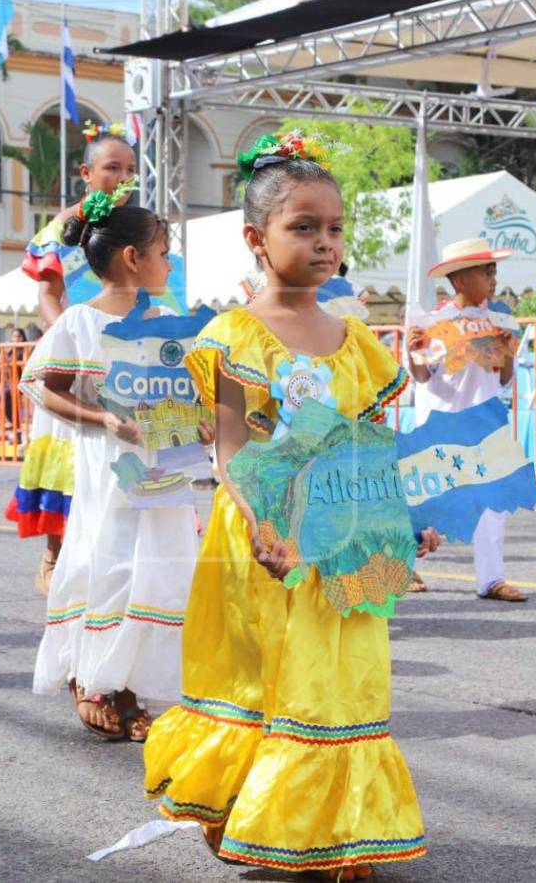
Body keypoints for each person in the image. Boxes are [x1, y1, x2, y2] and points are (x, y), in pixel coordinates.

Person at [143, 133, 441, 880]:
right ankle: (244, 804)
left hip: (343, 537)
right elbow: (230, 448)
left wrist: (401, 521)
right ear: (256, 238)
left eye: (334, 227)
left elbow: (372, 442)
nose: (324, 242)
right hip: (265, 538)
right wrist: (262, 525)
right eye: (302, 227)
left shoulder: (359, 342)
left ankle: (345, 826)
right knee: (263, 676)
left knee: (345, 678)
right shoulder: (233, 335)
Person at [25, 189, 204, 742]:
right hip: (109, 474)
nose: (169, 264)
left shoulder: (172, 320)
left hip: (168, 471)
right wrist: (100, 420)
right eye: (163, 252)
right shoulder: (79, 322)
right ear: (132, 258)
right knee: (113, 569)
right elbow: (40, 386)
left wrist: (197, 422)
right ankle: (101, 683)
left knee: (164, 571)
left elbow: (195, 389)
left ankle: (137, 685)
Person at [8, 122, 138, 593]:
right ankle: (53, 554)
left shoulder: (137, 225)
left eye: (129, 169)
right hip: (77, 352)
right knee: (71, 455)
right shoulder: (65, 227)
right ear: (86, 172)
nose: (121, 176)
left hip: (127, 353)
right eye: (111, 168)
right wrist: (68, 336)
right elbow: (48, 293)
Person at [406, 239, 526, 603]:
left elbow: (505, 379)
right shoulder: (434, 323)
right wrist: (413, 353)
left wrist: (506, 350)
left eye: (493, 271)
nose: (492, 278)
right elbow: (422, 376)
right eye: (484, 272)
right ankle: (405, 563)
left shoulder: (499, 321)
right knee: (427, 500)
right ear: (458, 281)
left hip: (484, 427)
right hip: (442, 427)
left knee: (492, 503)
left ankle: (491, 579)